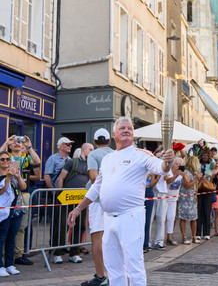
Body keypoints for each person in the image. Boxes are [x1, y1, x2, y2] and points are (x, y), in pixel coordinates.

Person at [67, 117, 174, 286]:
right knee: (114, 266)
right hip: (108, 218)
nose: (126, 130)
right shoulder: (109, 158)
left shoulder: (140, 155)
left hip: (131, 216)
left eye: (129, 128)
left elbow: (160, 168)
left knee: (134, 265)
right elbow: (97, 187)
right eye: (122, 128)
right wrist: (78, 209)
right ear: (114, 134)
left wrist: (167, 162)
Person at [0, 135, 40, 266]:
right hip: (6, 194)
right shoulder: (6, 157)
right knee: (5, 228)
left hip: (20, 194)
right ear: (10, 146)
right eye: (14, 143)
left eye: (19, 143)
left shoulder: (24, 158)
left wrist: (29, 146)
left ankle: (16, 255)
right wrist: (6, 142)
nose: (17, 144)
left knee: (20, 227)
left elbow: (37, 161)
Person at [81, 128, 113, 286]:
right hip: (114, 201)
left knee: (97, 238)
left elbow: (94, 178)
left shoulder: (93, 154)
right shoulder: (114, 154)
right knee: (112, 239)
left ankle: (101, 276)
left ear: (95, 142)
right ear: (109, 141)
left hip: (97, 201)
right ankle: (114, 274)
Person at [55, 142, 94, 264]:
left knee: (80, 226)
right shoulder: (72, 162)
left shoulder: (91, 164)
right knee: (62, 226)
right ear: (83, 149)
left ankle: (74, 253)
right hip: (67, 199)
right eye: (90, 149)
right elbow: (61, 178)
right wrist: (60, 195)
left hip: (81, 200)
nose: (92, 151)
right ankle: (57, 253)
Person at [0, 150, 26, 277]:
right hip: (3, 211)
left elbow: (23, 187)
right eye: (2, 159)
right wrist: (7, 178)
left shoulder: (14, 172)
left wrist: (18, 176)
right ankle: (0, 265)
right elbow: (1, 191)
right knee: (1, 239)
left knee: (12, 238)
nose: (5, 161)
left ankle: (10, 264)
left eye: (7, 159)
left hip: (16, 210)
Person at [177, 156, 202, 244]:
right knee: (183, 218)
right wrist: (196, 179)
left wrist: (199, 180)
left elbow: (196, 187)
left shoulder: (195, 173)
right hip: (185, 198)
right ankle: (184, 237)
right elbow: (187, 185)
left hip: (192, 198)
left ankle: (194, 236)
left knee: (194, 218)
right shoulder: (186, 173)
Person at [196, 147, 216, 240]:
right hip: (199, 188)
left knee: (207, 211)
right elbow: (195, 160)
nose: (205, 157)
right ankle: (198, 233)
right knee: (198, 211)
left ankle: (207, 233)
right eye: (203, 155)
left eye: (206, 156)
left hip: (208, 188)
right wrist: (201, 154)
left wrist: (210, 155)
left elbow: (214, 163)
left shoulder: (210, 165)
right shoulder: (198, 164)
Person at [164, 157, 183, 245]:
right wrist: (176, 175)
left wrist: (184, 175)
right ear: (172, 164)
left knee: (171, 218)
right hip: (165, 198)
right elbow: (168, 181)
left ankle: (169, 237)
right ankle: (160, 238)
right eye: (177, 164)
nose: (178, 166)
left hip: (174, 199)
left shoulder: (181, 174)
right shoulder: (169, 172)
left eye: (180, 164)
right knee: (162, 218)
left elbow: (186, 183)